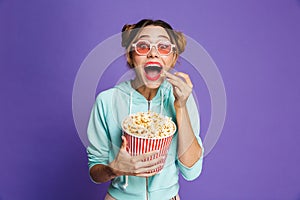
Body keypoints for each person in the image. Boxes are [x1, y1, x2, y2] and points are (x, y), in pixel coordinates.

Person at [87, 19, 204, 200]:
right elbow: (95, 172)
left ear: (173, 58)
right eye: (143, 46)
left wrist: (181, 105)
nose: (153, 54)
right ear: (130, 56)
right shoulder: (107, 101)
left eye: (163, 47)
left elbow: (192, 171)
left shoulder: (183, 98)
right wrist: (113, 169)